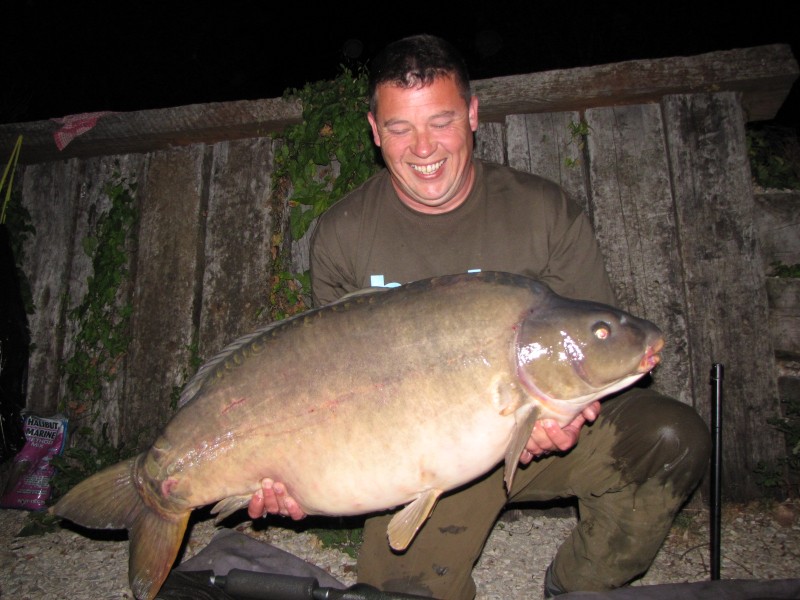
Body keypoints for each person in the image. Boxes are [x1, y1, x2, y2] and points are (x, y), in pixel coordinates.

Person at [248, 34, 711, 599]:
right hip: (425, 454)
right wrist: (290, 473)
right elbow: (330, 389)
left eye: (440, 121)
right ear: (374, 131)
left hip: (539, 423)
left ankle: (577, 586)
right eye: (400, 128)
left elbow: (584, 349)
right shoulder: (344, 236)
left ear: (471, 114)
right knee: (402, 592)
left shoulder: (544, 212)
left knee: (668, 436)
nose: (423, 148)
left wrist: (563, 416)